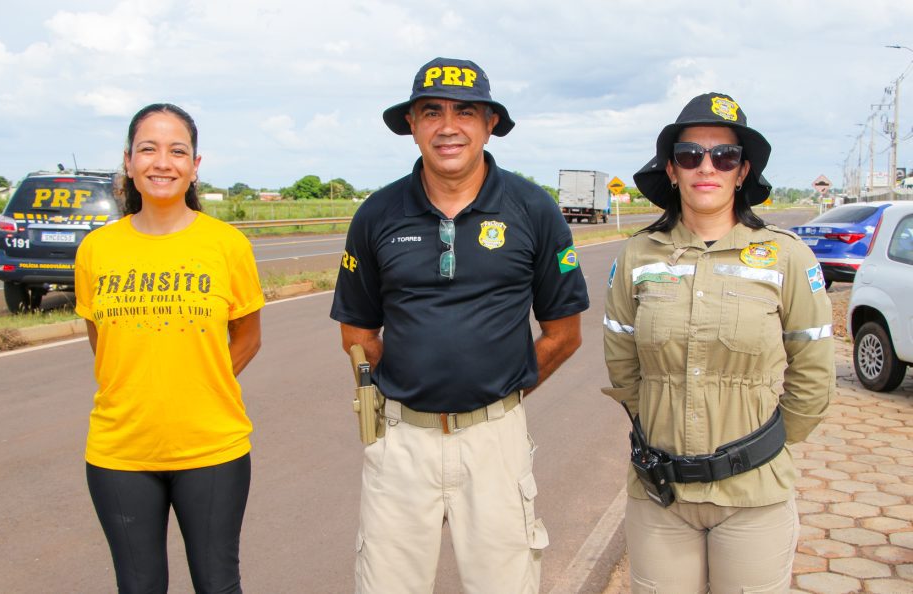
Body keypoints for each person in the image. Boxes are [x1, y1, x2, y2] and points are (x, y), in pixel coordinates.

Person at [330, 57, 589, 593]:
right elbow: (357, 333)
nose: (448, 126)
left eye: (465, 111)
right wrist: (412, 386)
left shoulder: (533, 208)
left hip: (496, 439)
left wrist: (501, 388)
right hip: (400, 440)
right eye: (432, 112)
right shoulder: (377, 214)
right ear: (413, 126)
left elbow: (564, 333)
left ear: (490, 123)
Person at [603, 92, 835, 593]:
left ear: (742, 170)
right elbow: (623, 368)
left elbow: (814, 374)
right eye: (690, 155)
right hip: (660, 494)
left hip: (755, 493)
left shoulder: (786, 257)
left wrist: (763, 447)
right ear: (671, 169)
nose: (706, 167)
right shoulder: (638, 255)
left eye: (724, 156)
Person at [75, 103, 265, 594]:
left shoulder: (226, 245)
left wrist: (200, 384)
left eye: (178, 151)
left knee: (217, 583)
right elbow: (104, 341)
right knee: (138, 587)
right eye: (149, 149)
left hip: (212, 447)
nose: (163, 162)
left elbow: (247, 335)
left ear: (195, 166)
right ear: (129, 161)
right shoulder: (97, 249)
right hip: (120, 450)